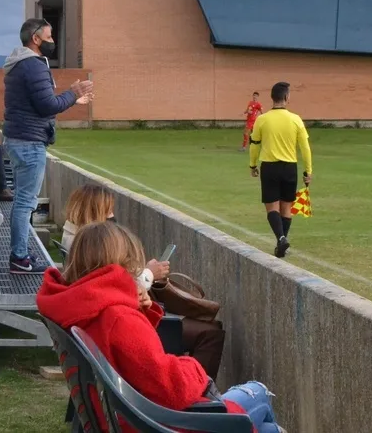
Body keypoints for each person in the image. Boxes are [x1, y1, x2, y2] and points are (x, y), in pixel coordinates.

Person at [38, 221, 286, 433]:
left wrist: (140, 310)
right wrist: (194, 368)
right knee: (258, 392)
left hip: (124, 416)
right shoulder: (118, 316)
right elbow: (169, 386)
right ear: (124, 263)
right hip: (153, 423)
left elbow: (131, 358)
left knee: (268, 429)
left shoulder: (83, 304)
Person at [60, 184, 226, 379]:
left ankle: (200, 384)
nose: (113, 216)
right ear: (95, 212)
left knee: (208, 328)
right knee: (210, 332)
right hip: (132, 326)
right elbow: (112, 290)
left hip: (125, 321)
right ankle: (204, 389)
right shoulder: (90, 247)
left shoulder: (78, 240)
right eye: (108, 211)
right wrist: (148, 275)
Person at [3, 18, 93, 274]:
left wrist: (71, 99)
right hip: (29, 143)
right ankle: (19, 258)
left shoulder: (19, 64)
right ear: (36, 39)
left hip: (19, 139)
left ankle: (21, 253)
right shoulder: (33, 65)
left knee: (22, 201)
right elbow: (47, 106)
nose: (53, 41)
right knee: (25, 203)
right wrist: (73, 93)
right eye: (50, 36)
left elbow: (41, 104)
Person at [249, 81, 312, 258]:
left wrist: (253, 164)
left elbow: (254, 144)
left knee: (272, 208)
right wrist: (308, 170)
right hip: (289, 168)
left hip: (269, 167)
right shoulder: (296, 119)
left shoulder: (262, 119)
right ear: (286, 97)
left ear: (272, 97)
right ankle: (282, 243)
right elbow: (305, 147)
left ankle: (281, 239)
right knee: (286, 208)